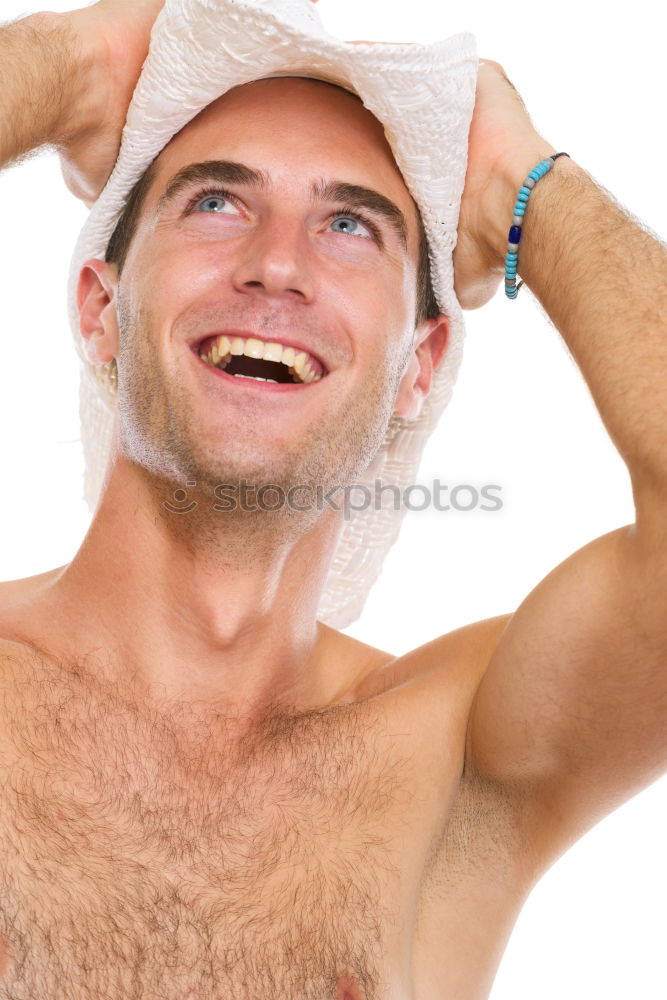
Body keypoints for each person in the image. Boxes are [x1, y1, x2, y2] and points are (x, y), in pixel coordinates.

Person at [0, 1, 665, 997]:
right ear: (101, 309)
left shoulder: (455, 759)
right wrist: (70, 68)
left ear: (419, 365)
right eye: (216, 202)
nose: (276, 263)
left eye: (349, 225)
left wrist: (522, 186)